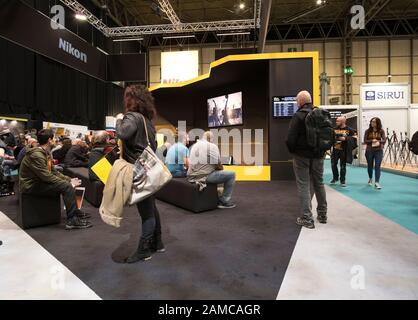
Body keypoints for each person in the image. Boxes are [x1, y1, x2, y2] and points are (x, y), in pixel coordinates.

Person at [116, 85, 165, 263]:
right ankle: (158, 242)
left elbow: (122, 133)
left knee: (146, 213)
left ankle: (144, 249)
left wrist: (118, 119)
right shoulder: (148, 123)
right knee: (151, 206)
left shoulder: (131, 117)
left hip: (137, 171)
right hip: (148, 170)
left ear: (130, 99)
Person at [19, 129, 92, 230]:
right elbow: (47, 176)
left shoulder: (45, 153)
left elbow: (54, 172)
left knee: (68, 183)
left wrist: (69, 179)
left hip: (39, 182)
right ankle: (72, 220)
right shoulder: (37, 155)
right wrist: (68, 182)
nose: (55, 141)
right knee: (67, 186)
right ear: (49, 140)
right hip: (30, 185)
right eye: (53, 139)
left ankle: (75, 212)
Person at [286, 90, 327, 229]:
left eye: (297, 101)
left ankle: (307, 218)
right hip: (319, 155)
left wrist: (294, 152)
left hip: (302, 156)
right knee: (319, 183)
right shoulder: (320, 114)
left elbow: (290, 139)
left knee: (303, 185)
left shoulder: (298, 115)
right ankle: (322, 214)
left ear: (300, 102)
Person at [188, 131, 236, 209]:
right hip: (204, 176)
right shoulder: (212, 146)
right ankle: (224, 201)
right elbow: (218, 163)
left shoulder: (194, 146)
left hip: (191, 176)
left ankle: (216, 194)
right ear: (210, 138)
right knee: (231, 174)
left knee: (215, 171)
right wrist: (220, 168)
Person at [330, 116, 356, 187]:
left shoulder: (350, 130)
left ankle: (342, 180)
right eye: (336, 121)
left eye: (338, 121)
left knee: (343, 166)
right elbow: (330, 138)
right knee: (333, 164)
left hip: (344, 150)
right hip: (335, 150)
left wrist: (345, 138)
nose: (336, 122)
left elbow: (354, 139)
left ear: (343, 121)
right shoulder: (334, 129)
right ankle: (335, 178)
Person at [364, 117, 386, 189]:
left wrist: (378, 141)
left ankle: (377, 182)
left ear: (377, 123)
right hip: (369, 151)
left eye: (374, 122)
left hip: (378, 151)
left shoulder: (381, 131)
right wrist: (371, 141)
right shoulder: (367, 131)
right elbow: (365, 141)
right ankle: (370, 178)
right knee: (370, 166)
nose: (372, 123)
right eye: (371, 121)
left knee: (377, 166)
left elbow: (384, 140)